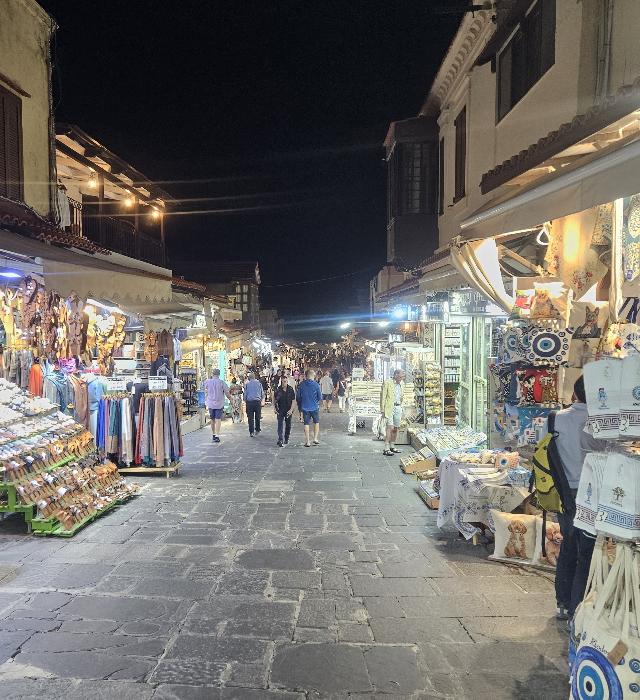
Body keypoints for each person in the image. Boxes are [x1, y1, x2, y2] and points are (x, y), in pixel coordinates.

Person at [553, 375, 603, 621]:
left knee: (569, 544)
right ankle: (578, 608)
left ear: (575, 393)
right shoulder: (600, 422)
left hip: (564, 490)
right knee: (587, 549)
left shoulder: (555, 418)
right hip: (592, 491)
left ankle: (563, 602)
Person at [380, 369, 405, 456]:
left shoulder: (402, 384)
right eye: (401, 377)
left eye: (403, 377)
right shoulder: (388, 382)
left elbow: (402, 396)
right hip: (389, 407)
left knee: (396, 428)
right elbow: (383, 396)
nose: (402, 378)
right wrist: (382, 409)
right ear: (396, 375)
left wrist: (401, 407)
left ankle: (392, 446)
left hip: (398, 407)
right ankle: (386, 448)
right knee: (390, 427)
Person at [203, 368, 231, 443]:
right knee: (218, 419)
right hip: (219, 404)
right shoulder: (222, 382)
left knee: (212, 419)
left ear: (212, 374)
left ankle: (213, 434)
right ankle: (217, 435)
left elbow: (204, 389)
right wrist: (230, 399)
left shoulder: (207, 382)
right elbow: (227, 392)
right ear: (219, 374)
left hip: (210, 403)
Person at [297, 369, 322, 447]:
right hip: (314, 407)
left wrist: (300, 405)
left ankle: (307, 441)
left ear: (306, 376)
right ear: (312, 376)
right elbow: (320, 397)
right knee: (316, 422)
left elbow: (298, 397)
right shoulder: (316, 385)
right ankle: (315, 438)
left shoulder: (301, 385)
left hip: (305, 407)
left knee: (306, 423)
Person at [274, 374, 295, 447]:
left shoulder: (290, 389)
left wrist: (291, 410)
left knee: (288, 425)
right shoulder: (278, 390)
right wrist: (274, 408)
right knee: (280, 424)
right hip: (280, 409)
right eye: (283, 382)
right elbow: (274, 399)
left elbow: (293, 400)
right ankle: (280, 439)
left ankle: (286, 438)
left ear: (287, 381)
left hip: (288, 409)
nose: (284, 383)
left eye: (285, 381)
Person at [244, 371, 265, 437]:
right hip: (257, 402)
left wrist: (245, 400)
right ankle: (257, 429)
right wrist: (261, 400)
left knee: (250, 418)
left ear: (249, 378)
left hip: (249, 402)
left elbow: (245, 394)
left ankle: (251, 432)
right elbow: (262, 393)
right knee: (257, 416)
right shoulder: (259, 383)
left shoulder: (247, 384)